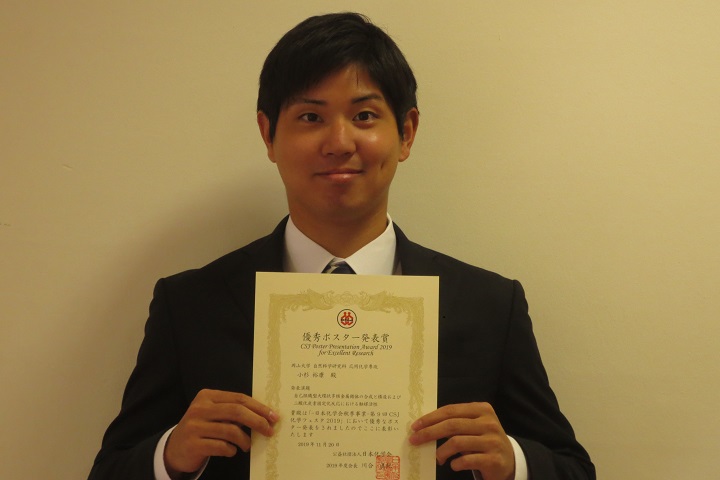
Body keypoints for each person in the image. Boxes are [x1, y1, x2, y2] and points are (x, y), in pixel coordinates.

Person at [88, 12, 595, 480]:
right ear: (268, 134)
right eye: (311, 118)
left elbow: (574, 469)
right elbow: (110, 469)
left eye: (365, 116)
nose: (339, 142)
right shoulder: (189, 304)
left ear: (407, 132)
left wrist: (514, 462)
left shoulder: (491, 305)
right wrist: (170, 456)